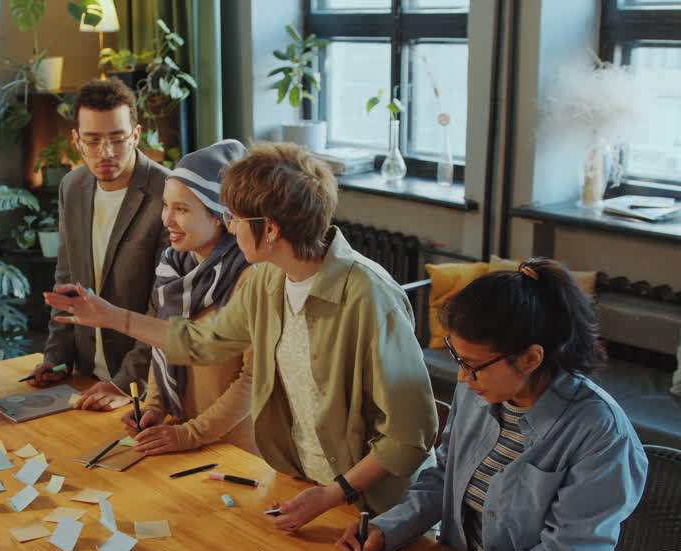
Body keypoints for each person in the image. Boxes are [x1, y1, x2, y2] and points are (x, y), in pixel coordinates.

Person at [46, 142, 437, 528]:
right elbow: (204, 343)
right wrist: (112, 317)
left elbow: (408, 436)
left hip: (376, 509)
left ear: (269, 229)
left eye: (233, 217)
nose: (228, 226)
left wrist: (334, 493)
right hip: (308, 486)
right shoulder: (268, 279)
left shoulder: (370, 296)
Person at [336, 259, 647, 551]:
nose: (462, 379)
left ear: (531, 358)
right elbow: (443, 478)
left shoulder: (600, 433)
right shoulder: (480, 392)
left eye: (473, 365)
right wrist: (385, 529)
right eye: (458, 359)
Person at [30, 78, 169, 411]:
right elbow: (66, 279)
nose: (105, 153)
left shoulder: (168, 192)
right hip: (84, 376)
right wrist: (57, 358)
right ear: (76, 140)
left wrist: (126, 384)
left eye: (117, 140)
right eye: (92, 141)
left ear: (135, 135)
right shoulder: (72, 186)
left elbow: (165, 304)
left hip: (143, 387)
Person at [125, 139, 256, 455]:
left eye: (181, 209)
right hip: (182, 435)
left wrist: (189, 435)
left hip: (235, 449)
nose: (167, 220)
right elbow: (166, 341)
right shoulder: (173, 267)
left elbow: (254, 381)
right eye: (166, 205)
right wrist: (154, 406)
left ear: (219, 215)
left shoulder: (250, 276)